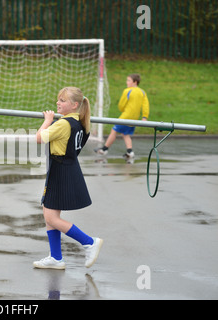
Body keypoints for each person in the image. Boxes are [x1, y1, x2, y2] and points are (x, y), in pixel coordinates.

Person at [33, 87, 103, 270]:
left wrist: (47, 121)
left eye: (62, 100)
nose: (58, 103)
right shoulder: (80, 122)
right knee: (50, 215)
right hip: (66, 167)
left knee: (51, 216)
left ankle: (89, 242)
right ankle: (56, 257)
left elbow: (39, 138)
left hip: (61, 169)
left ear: (74, 105)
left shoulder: (63, 124)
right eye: (58, 99)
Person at [95, 73, 150, 159]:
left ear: (135, 82)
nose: (127, 82)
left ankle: (104, 149)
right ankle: (130, 151)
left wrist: (122, 109)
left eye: (128, 80)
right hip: (135, 118)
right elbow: (145, 105)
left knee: (114, 130)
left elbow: (121, 105)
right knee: (125, 134)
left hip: (125, 117)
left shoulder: (127, 91)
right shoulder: (142, 92)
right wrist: (144, 117)